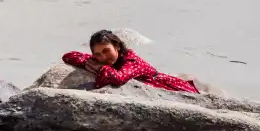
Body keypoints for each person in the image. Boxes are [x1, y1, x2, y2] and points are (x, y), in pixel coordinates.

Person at [62, 30, 199, 94]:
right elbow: (68, 56)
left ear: (117, 46)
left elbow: (118, 78)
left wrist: (100, 67)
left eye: (106, 51)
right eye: (97, 54)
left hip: (166, 86)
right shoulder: (100, 58)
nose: (103, 57)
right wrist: (91, 60)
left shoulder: (131, 61)